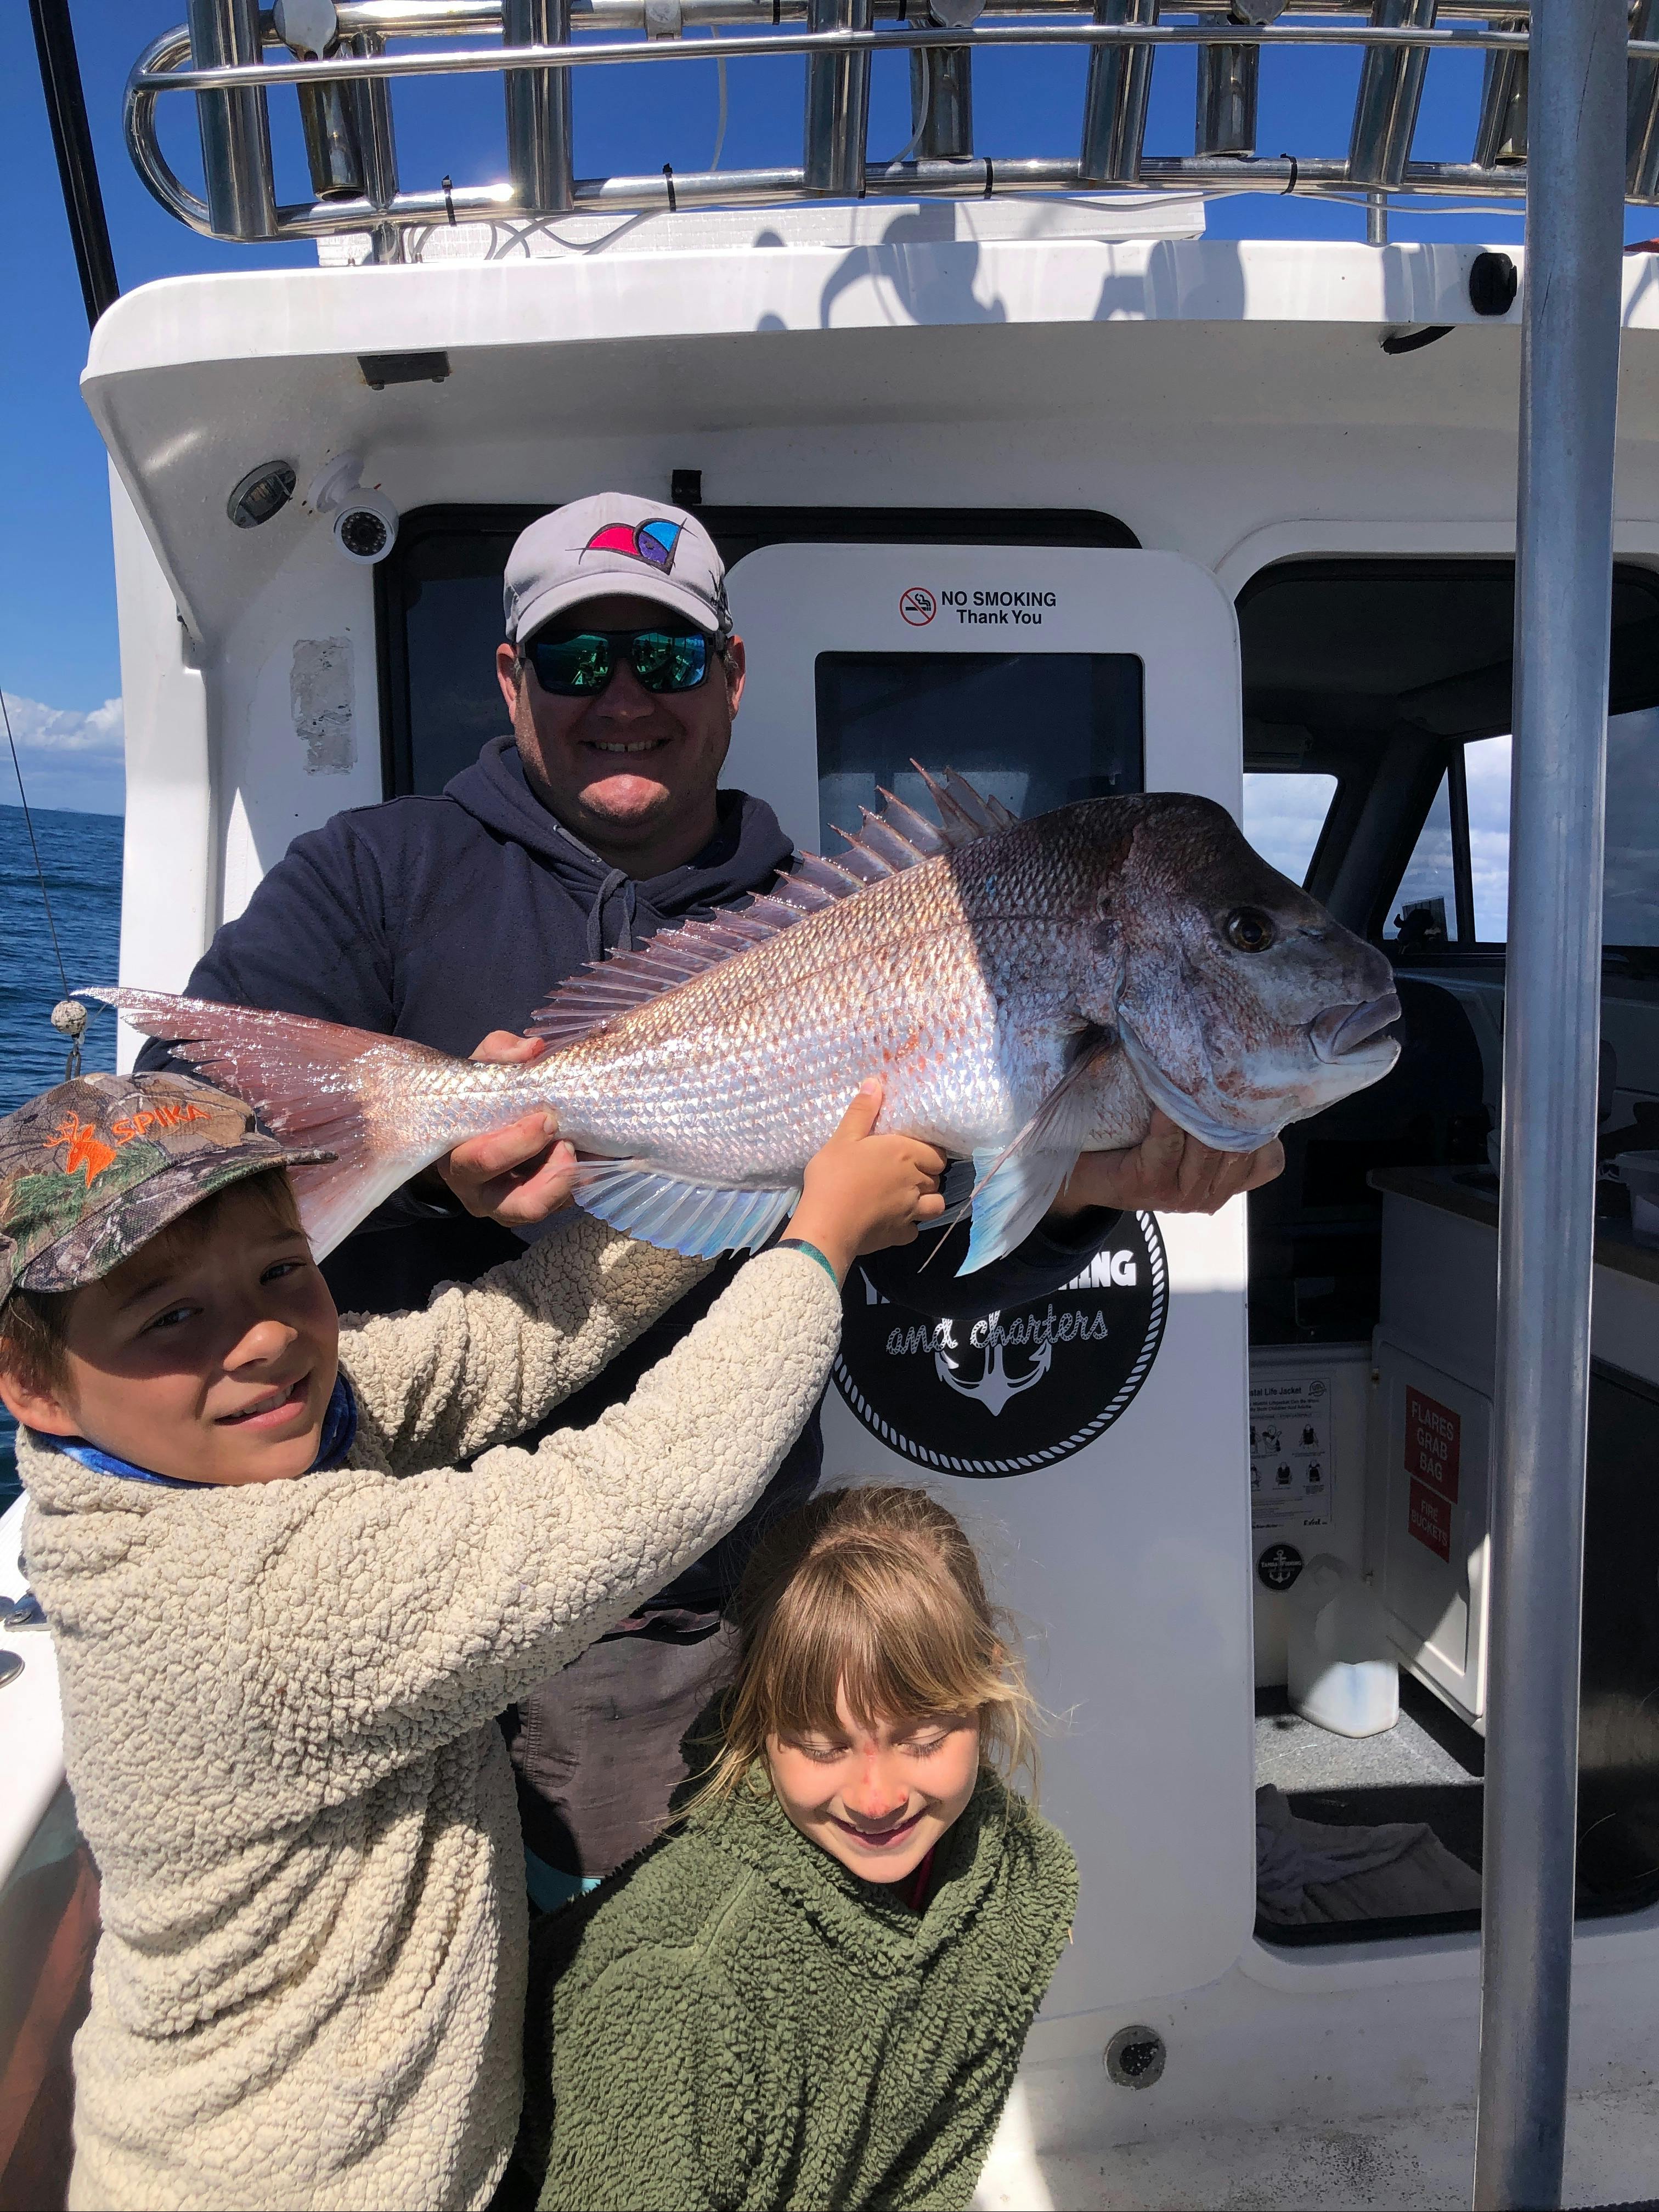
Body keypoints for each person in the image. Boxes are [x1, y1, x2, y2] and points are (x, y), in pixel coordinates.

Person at [137, 491, 1283, 1898]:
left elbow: (902, 1261)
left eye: (668, 658)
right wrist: (433, 1176)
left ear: (730, 677)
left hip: (671, 1606)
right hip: (386, 1557)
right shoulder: (374, 875)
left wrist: (1087, 1195)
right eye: (577, 659)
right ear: (511, 679)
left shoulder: (834, 907)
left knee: (618, 1970)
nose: (624, 698)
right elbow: (173, 1141)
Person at [0, 1067, 944, 2211]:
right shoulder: (249, 1601)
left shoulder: (217, 1446)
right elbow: (636, 1494)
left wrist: (733, 1173)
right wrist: (817, 1244)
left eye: (283, 1268)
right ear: (33, 1384)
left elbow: (506, 1336)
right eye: (171, 1317)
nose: (262, 1335)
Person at [512, 1484, 1076, 2212]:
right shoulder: (675, 1984)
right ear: (757, 1716)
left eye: (922, 1738)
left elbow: (937, 2167)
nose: (877, 1798)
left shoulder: (1024, 1886)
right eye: (821, 1745)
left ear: (987, 1679)